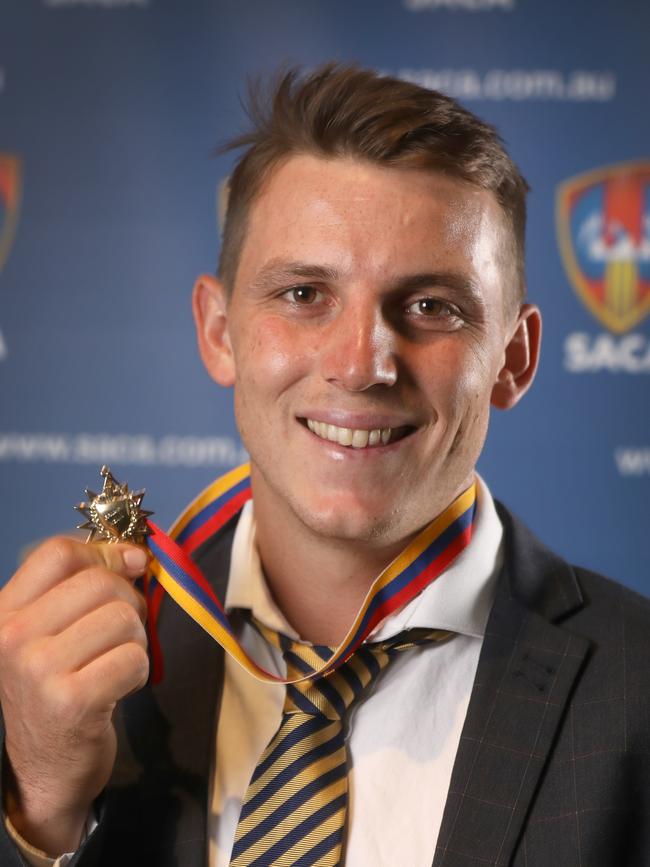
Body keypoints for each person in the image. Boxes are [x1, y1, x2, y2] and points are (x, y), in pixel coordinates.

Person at [0, 63, 648, 867]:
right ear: (218, 331)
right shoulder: (71, 674)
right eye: (305, 294)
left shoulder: (636, 689)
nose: (361, 363)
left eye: (431, 306)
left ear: (513, 359)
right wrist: (38, 817)